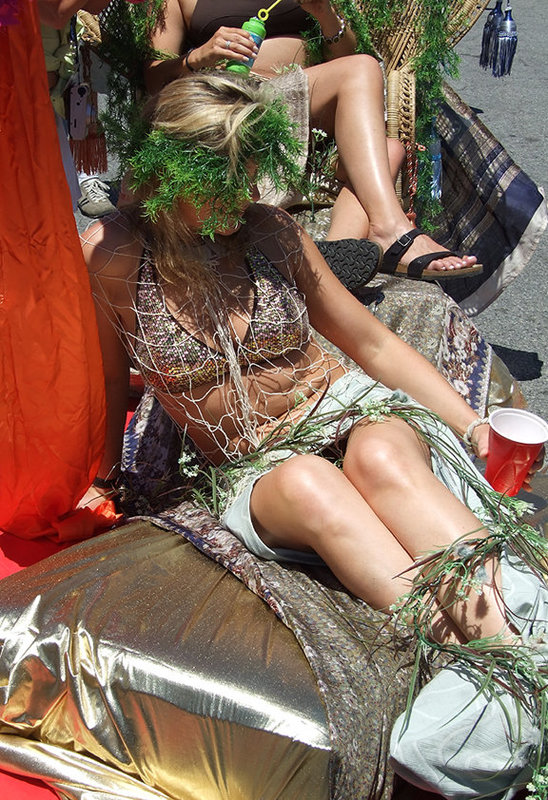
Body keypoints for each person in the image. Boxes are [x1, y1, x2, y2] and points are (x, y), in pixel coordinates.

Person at [79, 72, 547, 795]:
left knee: (385, 452)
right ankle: (495, 658)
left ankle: (508, 657)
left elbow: (373, 345)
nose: (246, 193)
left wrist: (474, 423)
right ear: (169, 172)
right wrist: (104, 470)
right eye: (224, 177)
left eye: (251, 171)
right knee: (309, 482)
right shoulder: (110, 257)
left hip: (344, 403)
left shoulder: (273, 231)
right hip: (256, 464)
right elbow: (108, 378)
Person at [144, 0, 481, 280]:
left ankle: (339, 256)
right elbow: (152, 77)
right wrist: (197, 57)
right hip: (231, 110)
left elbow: (349, 55)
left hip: (303, 103)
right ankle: (374, 238)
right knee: (382, 140)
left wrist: (325, 13)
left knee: (379, 115)